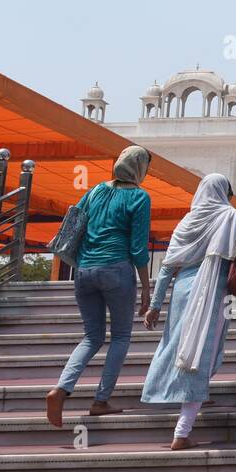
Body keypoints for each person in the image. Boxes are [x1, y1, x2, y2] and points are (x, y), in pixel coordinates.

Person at [141, 173, 236, 449]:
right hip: (213, 294)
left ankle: (195, 392)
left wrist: (155, 307)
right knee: (201, 352)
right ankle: (182, 433)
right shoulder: (231, 217)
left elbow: (167, 267)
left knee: (182, 347)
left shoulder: (187, 221)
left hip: (183, 292)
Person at [46, 145, 153, 427]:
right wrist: (146, 286)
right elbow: (138, 248)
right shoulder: (139, 197)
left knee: (92, 337)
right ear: (140, 168)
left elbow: (73, 223)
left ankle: (61, 389)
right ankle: (101, 400)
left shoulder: (94, 190)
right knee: (120, 337)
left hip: (83, 270)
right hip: (116, 269)